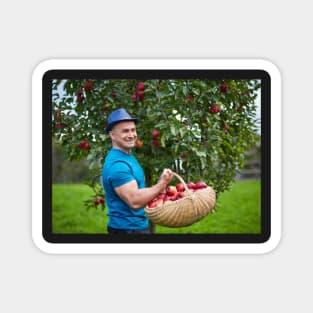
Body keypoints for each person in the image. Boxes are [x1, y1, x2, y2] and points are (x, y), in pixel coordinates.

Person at [102, 108, 174, 234]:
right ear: (112, 135)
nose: (131, 135)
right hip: (126, 230)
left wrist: (159, 188)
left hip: (136, 226)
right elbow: (134, 201)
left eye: (133, 130)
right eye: (125, 131)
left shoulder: (128, 157)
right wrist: (162, 184)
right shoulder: (117, 165)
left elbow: (138, 190)